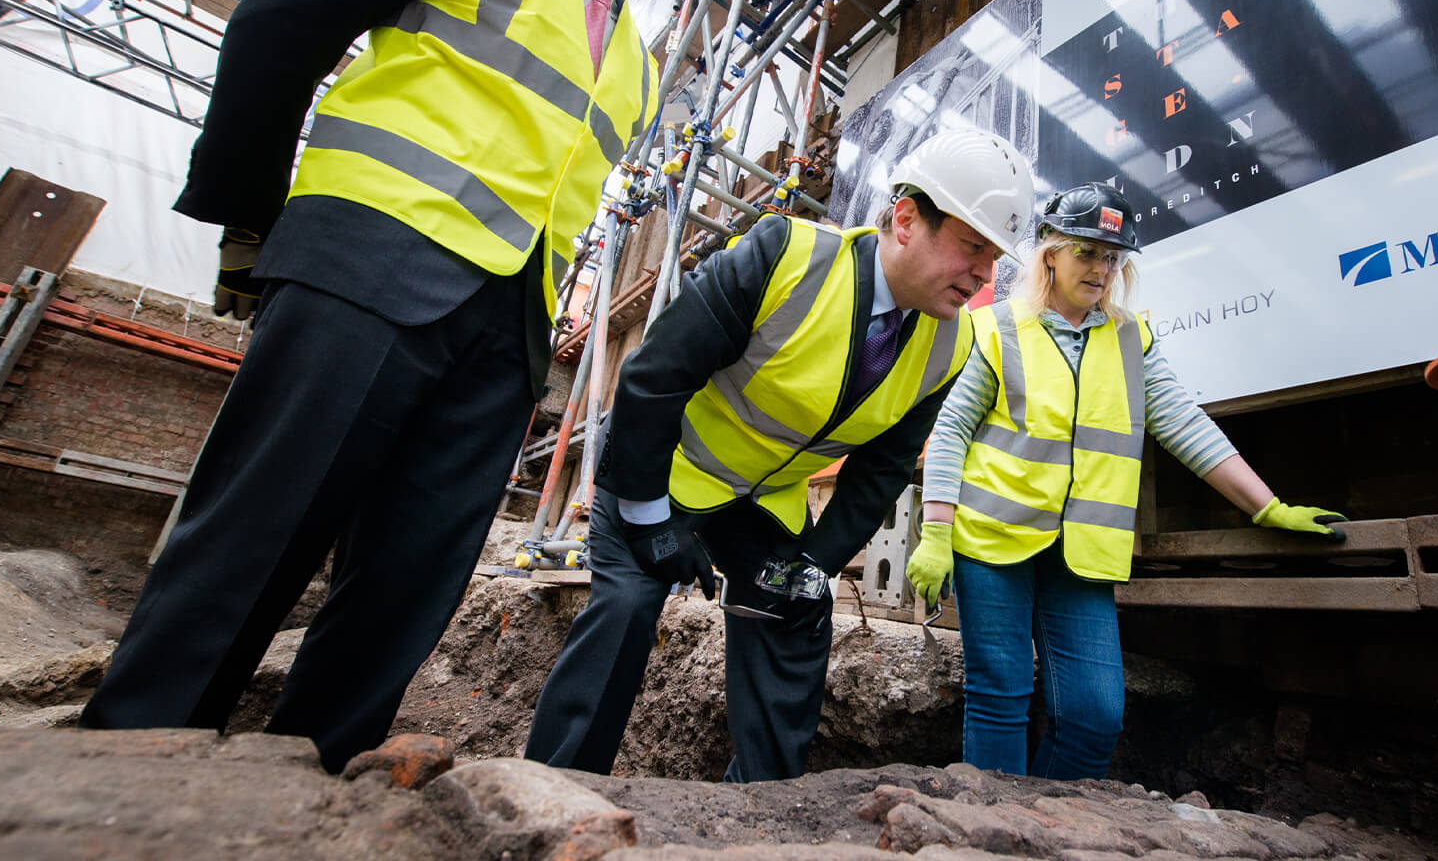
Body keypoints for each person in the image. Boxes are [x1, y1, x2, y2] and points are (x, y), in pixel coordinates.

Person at [80, 0, 740, 774]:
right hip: (372, 264)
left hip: (500, 337)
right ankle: (123, 775)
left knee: (405, 591)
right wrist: (250, 222)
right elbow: (284, 13)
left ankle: (305, 786)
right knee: (254, 538)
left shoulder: (638, 71)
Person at [523, 127, 1035, 782]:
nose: (986, 274)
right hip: (665, 474)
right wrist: (650, 521)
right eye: (972, 247)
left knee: (795, 610)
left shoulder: (950, 344)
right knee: (625, 607)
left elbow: (878, 472)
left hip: (763, 502)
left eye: (995, 257)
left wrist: (813, 564)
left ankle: (761, 811)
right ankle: (555, 791)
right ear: (906, 220)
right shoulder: (787, 257)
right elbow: (655, 378)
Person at [905, 181, 1347, 779]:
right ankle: (990, 830)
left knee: (1094, 716)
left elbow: (1186, 427)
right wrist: (936, 533)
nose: (1101, 269)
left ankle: (1044, 817)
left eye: (1112, 258)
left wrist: (1267, 507)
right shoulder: (999, 328)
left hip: (1081, 556)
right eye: (1087, 253)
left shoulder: (1131, 340)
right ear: (1051, 254)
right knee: (1000, 696)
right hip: (991, 542)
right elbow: (952, 431)